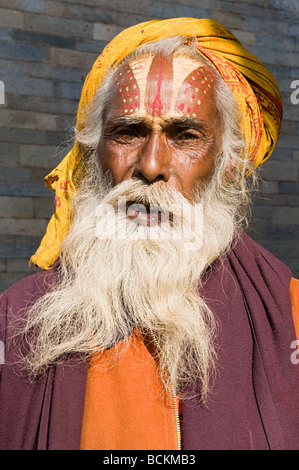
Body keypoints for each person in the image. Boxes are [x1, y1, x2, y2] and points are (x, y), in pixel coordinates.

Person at [1, 17, 299, 451]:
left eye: (185, 136)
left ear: (229, 166)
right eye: (128, 132)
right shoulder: (15, 320)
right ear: (94, 153)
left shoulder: (291, 315)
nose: (151, 165)